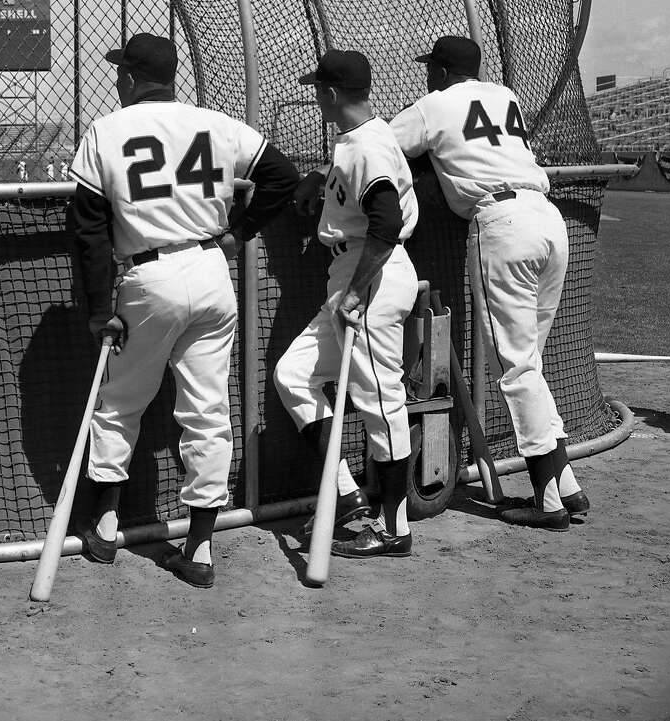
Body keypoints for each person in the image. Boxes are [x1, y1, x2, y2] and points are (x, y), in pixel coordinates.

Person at [69, 32, 299, 588]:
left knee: (121, 402)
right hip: (210, 271)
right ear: (173, 76)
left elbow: (90, 232)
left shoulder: (106, 129)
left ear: (128, 77)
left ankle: (104, 526)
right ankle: (199, 549)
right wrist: (238, 232)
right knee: (207, 411)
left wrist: (100, 310)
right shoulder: (216, 123)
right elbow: (283, 178)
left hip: (150, 277)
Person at [390, 34, 588, 531]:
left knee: (518, 367)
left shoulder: (434, 104)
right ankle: (566, 484)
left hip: (501, 223)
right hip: (548, 219)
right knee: (531, 364)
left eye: (430, 68)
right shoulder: (505, 95)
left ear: (439, 70)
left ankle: (548, 502)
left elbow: (379, 146)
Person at [273, 49, 420, 559]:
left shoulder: (367, 148)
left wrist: (358, 288)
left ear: (332, 93)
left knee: (381, 402)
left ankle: (395, 529)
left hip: (370, 277)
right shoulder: (359, 142)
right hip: (353, 272)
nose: (315, 96)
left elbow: (386, 222)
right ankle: (346, 494)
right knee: (294, 375)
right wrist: (318, 180)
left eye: (319, 89)